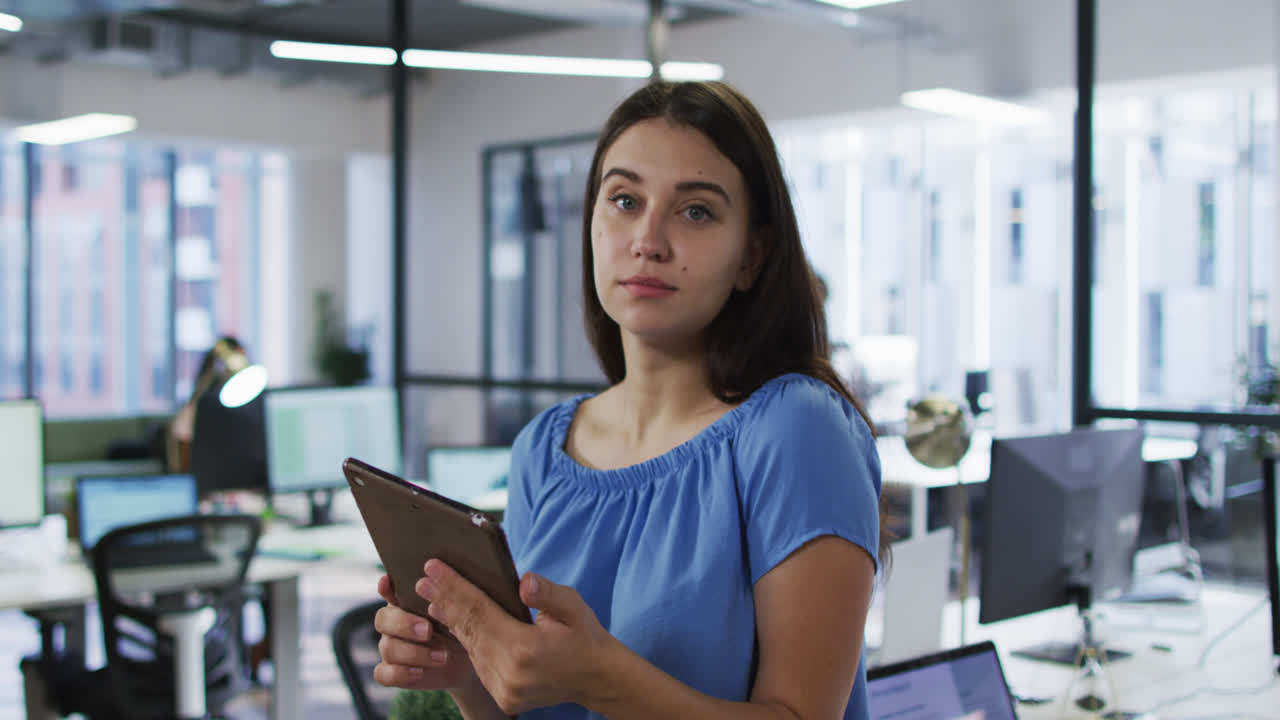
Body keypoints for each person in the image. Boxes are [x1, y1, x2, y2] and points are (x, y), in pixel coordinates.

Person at [374, 80, 885, 719]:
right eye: (623, 200)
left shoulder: (796, 429)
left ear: (752, 255)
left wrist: (599, 679)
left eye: (696, 211)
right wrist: (471, 672)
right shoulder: (545, 446)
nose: (648, 239)